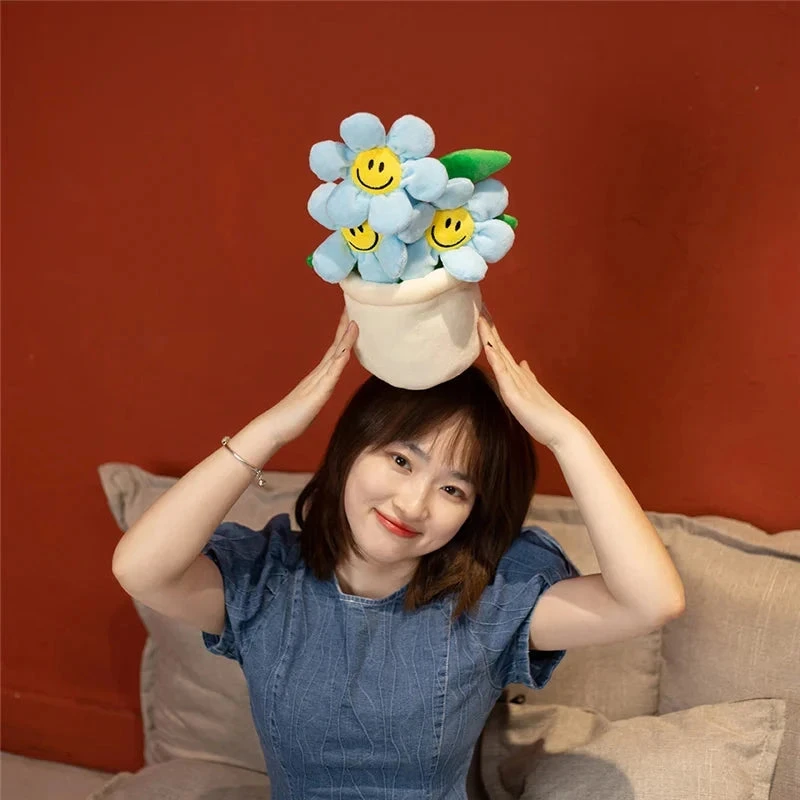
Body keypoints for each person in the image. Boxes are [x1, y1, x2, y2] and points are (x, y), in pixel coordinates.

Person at [112, 307, 685, 799]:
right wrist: (272, 431)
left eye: (453, 489)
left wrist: (566, 437)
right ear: (351, 450)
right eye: (401, 460)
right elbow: (140, 569)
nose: (413, 505)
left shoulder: (492, 601)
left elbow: (650, 602)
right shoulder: (267, 582)